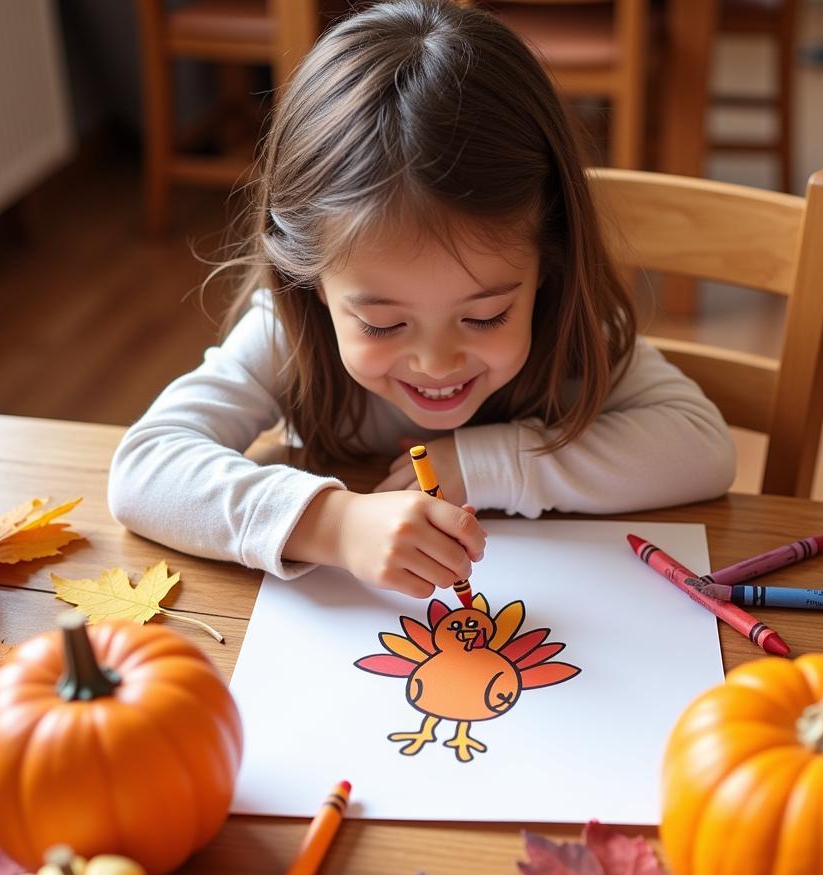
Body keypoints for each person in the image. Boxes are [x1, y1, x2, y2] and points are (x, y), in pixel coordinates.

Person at [109, 0, 735, 599]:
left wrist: (489, 463)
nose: (437, 365)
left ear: (550, 262)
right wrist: (334, 526)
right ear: (311, 282)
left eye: (486, 315)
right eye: (382, 324)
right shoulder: (287, 332)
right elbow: (145, 469)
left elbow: (701, 448)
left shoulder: (570, 326)